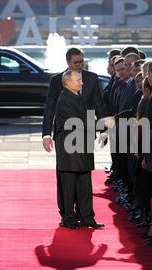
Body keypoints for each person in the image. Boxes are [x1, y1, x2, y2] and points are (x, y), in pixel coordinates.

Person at [42, 47, 106, 225]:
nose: (80, 66)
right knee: (66, 177)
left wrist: (104, 129)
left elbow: (99, 105)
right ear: (68, 62)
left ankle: (86, 216)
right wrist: (46, 134)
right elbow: (50, 109)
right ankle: (67, 214)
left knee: (85, 176)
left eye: (82, 62)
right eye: (76, 63)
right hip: (66, 137)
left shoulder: (92, 79)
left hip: (85, 136)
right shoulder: (57, 81)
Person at [54, 70, 105, 229]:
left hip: (81, 148)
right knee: (69, 186)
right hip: (70, 151)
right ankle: (69, 218)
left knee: (84, 185)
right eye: (78, 80)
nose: (81, 83)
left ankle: (87, 217)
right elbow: (77, 122)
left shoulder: (75, 96)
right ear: (67, 82)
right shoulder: (65, 99)